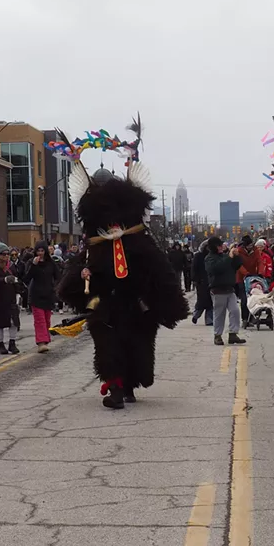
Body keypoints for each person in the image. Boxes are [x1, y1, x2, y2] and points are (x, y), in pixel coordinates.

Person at [57, 163, 189, 409]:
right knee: (108, 345)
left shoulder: (141, 242)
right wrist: (82, 274)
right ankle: (115, 388)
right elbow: (78, 275)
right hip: (106, 304)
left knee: (136, 344)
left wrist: (168, 303)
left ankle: (129, 384)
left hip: (136, 302)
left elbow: (161, 272)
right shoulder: (94, 247)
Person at [205, 237, 246, 346]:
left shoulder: (225, 256)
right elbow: (216, 269)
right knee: (219, 314)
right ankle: (217, 335)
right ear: (214, 247)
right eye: (219, 245)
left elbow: (237, 265)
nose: (221, 247)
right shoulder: (210, 258)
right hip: (218, 290)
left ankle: (233, 334)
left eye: (221, 245)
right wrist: (229, 257)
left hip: (230, 289)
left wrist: (236, 256)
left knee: (235, 311)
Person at [25, 242, 61, 353]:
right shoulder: (31, 262)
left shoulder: (51, 263)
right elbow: (26, 278)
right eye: (38, 251)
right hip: (36, 295)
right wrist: (34, 266)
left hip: (48, 294)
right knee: (39, 320)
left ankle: (45, 340)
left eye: (42, 251)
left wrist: (55, 288)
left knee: (46, 320)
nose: (40, 253)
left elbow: (58, 276)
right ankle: (41, 342)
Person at [235, 235, 261, 327]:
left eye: (251, 245)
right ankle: (245, 319)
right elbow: (238, 265)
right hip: (241, 278)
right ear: (245, 245)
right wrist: (246, 273)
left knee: (254, 298)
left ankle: (252, 317)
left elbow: (259, 261)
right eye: (249, 245)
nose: (251, 247)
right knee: (244, 299)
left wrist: (260, 273)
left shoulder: (255, 250)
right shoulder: (239, 252)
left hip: (253, 277)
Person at [191, 239, 214, 326]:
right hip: (201, 282)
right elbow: (194, 268)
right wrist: (195, 279)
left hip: (212, 281)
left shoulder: (213, 256)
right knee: (202, 301)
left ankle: (209, 320)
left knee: (211, 302)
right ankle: (196, 315)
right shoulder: (198, 256)